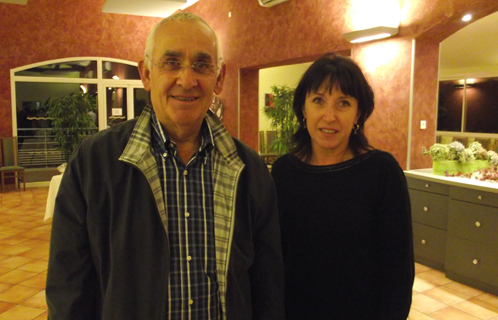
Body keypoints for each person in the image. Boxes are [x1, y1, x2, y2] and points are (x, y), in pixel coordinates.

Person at [46, 12, 284, 320]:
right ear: (146, 73)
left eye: (201, 64)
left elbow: (267, 286)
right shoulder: (93, 163)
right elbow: (68, 288)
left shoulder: (247, 169)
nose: (187, 80)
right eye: (171, 63)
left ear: (220, 77)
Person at [271, 53, 414, 319]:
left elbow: (398, 269)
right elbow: (274, 260)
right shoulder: (283, 173)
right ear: (303, 109)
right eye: (318, 101)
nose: (329, 116)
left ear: (358, 112)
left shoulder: (381, 172)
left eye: (343, 103)